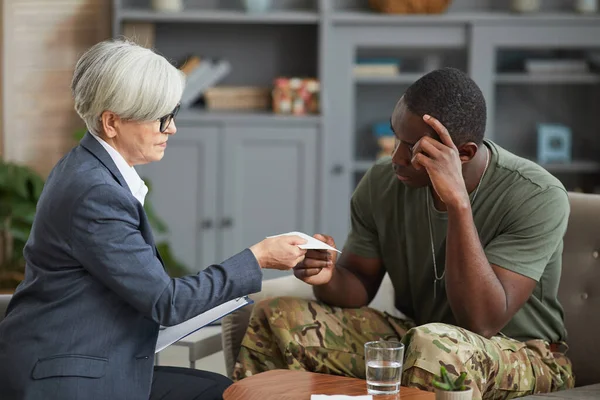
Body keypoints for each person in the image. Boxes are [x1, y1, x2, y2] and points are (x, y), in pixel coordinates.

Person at [232, 67, 575, 399]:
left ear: (464, 154)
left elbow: (481, 321)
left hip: (526, 355)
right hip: (419, 340)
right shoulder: (384, 182)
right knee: (276, 316)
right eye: (396, 138)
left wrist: (458, 204)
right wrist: (328, 276)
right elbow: (360, 285)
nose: (395, 157)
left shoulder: (536, 195)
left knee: (432, 346)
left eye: (413, 149)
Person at [0, 39, 307, 400]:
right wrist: (259, 258)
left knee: (219, 390)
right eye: (162, 118)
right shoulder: (96, 192)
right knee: (222, 394)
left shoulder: (86, 167)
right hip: (64, 376)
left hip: (80, 355)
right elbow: (167, 302)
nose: (172, 129)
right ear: (111, 122)